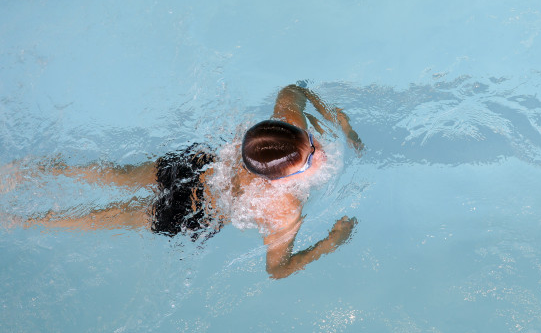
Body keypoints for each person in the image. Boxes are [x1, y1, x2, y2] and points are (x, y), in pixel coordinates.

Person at [6, 85, 364, 279]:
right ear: (278, 181)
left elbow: (295, 88)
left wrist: (340, 122)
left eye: (310, 143)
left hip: (196, 166)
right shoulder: (284, 209)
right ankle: (24, 220)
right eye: (309, 161)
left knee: (116, 176)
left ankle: (25, 173)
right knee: (108, 217)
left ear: (290, 127)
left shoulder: (286, 112)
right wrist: (329, 243)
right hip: (195, 212)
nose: (322, 155)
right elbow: (277, 269)